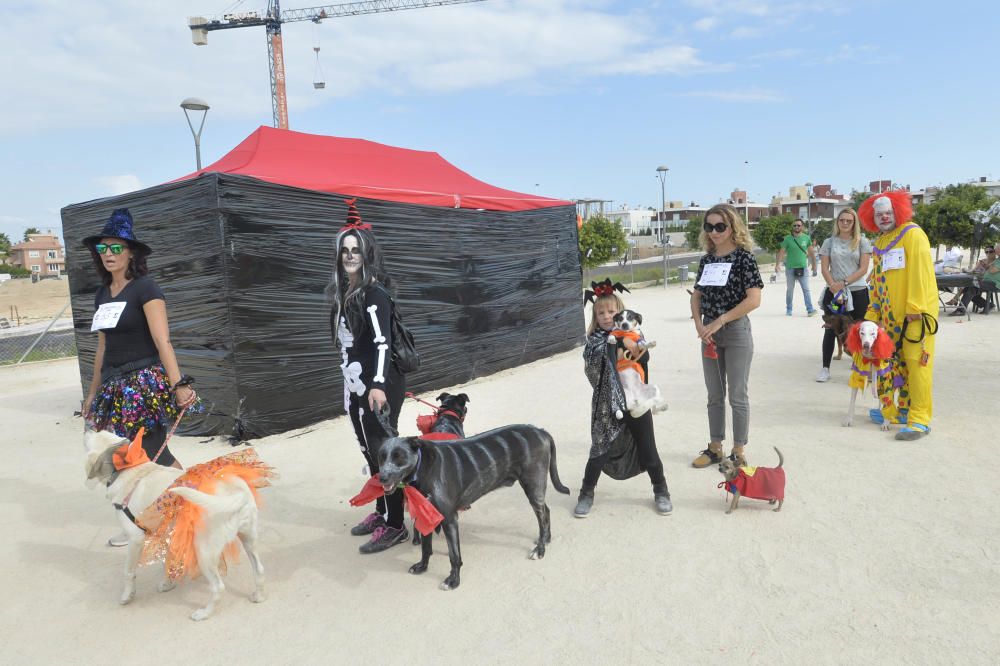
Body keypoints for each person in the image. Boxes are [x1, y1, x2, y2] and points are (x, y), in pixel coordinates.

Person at [81, 208, 199, 546]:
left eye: (116, 248)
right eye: (102, 249)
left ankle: (193, 504)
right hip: (113, 389)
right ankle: (137, 522)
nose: (108, 255)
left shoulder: (146, 288)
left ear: (131, 252)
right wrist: (92, 393)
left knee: (154, 453)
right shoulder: (102, 295)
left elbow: (163, 341)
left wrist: (179, 385)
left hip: (143, 385)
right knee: (122, 458)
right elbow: (102, 347)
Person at [328, 198, 408, 553]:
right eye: (344, 250)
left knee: (384, 453)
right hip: (356, 383)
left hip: (379, 384)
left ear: (367, 253)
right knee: (368, 451)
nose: (349, 256)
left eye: (355, 250)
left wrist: (376, 385)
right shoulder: (344, 292)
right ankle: (381, 511)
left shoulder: (374, 294)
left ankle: (395, 525)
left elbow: (381, 342)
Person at [574, 279, 672, 518]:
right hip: (607, 406)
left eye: (611, 311)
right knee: (599, 451)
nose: (606, 316)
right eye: (601, 313)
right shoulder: (594, 341)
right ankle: (586, 493)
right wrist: (618, 342)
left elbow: (644, 362)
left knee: (648, 449)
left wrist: (631, 345)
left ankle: (661, 489)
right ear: (595, 317)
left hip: (636, 401)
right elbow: (594, 367)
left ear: (621, 313)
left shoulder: (636, 334)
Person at [859, 191, 939, 440]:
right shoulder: (880, 243)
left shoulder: (913, 234)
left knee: (917, 365)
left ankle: (920, 419)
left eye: (888, 213)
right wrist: (872, 314)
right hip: (890, 318)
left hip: (916, 316)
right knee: (897, 365)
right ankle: (901, 411)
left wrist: (915, 309)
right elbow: (877, 280)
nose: (883, 218)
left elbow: (921, 273)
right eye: (878, 214)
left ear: (898, 212)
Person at [690, 204, 763, 468]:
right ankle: (714, 447)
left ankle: (738, 450)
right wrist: (700, 325)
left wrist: (722, 320)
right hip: (709, 333)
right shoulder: (707, 260)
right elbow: (696, 296)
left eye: (720, 226)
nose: (714, 232)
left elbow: (754, 300)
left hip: (734, 331)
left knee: (737, 395)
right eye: (709, 227)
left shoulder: (745, 258)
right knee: (714, 394)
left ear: (732, 227)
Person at [816, 208, 872, 382]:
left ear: (854, 223)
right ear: (837, 222)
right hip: (835, 293)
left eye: (849, 220)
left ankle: (861, 366)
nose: (845, 223)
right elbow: (824, 268)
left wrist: (845, 283)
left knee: (860, 330)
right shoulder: (829, 242)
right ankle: (825, 368)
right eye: (842, 220)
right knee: (832, 329)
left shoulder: (862, 241)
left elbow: (863, 268)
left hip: (857, 292)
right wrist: (833, 285)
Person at [775, 219, 817, 316]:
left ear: (802, 227)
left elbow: (811, 253)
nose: (796, 227)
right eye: (795, 225)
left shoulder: (806, 238)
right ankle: (789, 309)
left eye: (798, 225)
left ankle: (810, 309)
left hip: (803, 269)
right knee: (790, 290)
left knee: (806, 289)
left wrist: (814, 265)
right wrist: (778, 264)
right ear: (792, 227)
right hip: (790, 269)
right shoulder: (787, 239)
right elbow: (781, 252)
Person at [949, 245, 1000, 315]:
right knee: (967, 288)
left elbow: (992, 270)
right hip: (987, 281)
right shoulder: (998, 260)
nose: (995, 252)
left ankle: (961, 310)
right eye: (987, 252)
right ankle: (988, 305)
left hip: (995, 283)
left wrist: (986, 264)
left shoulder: (998, 260)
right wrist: (985, 264)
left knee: (973, 284)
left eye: (995, 250)